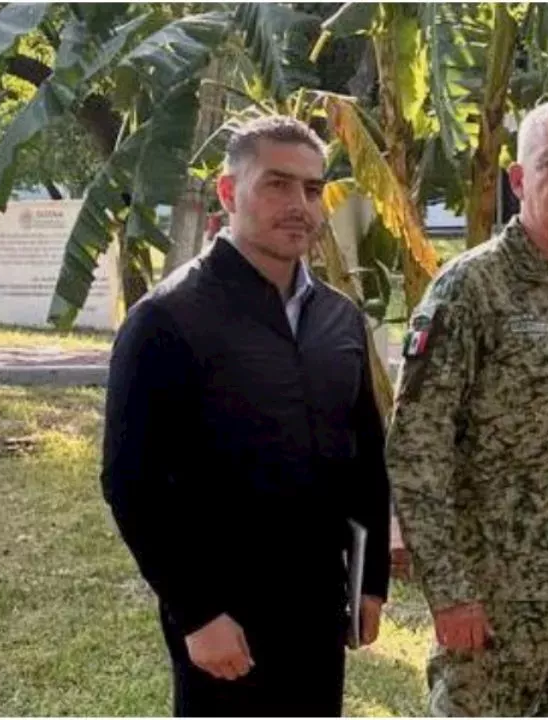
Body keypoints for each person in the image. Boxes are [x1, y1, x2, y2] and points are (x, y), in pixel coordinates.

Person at [101, 115, 391, 717]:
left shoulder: (339, 318)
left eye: (312, 189)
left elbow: (365, 453)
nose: (300, 206)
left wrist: (372, 580)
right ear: (229, 193)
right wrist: (197, 613)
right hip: (223, 610)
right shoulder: (168, 319)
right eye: (277, 185)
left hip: (317, 601)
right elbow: (132, 482)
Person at [385, 98, 548, 717]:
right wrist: (449, 592)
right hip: (496, 603)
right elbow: (417, 450)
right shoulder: (470, 288)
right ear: (519, 179)